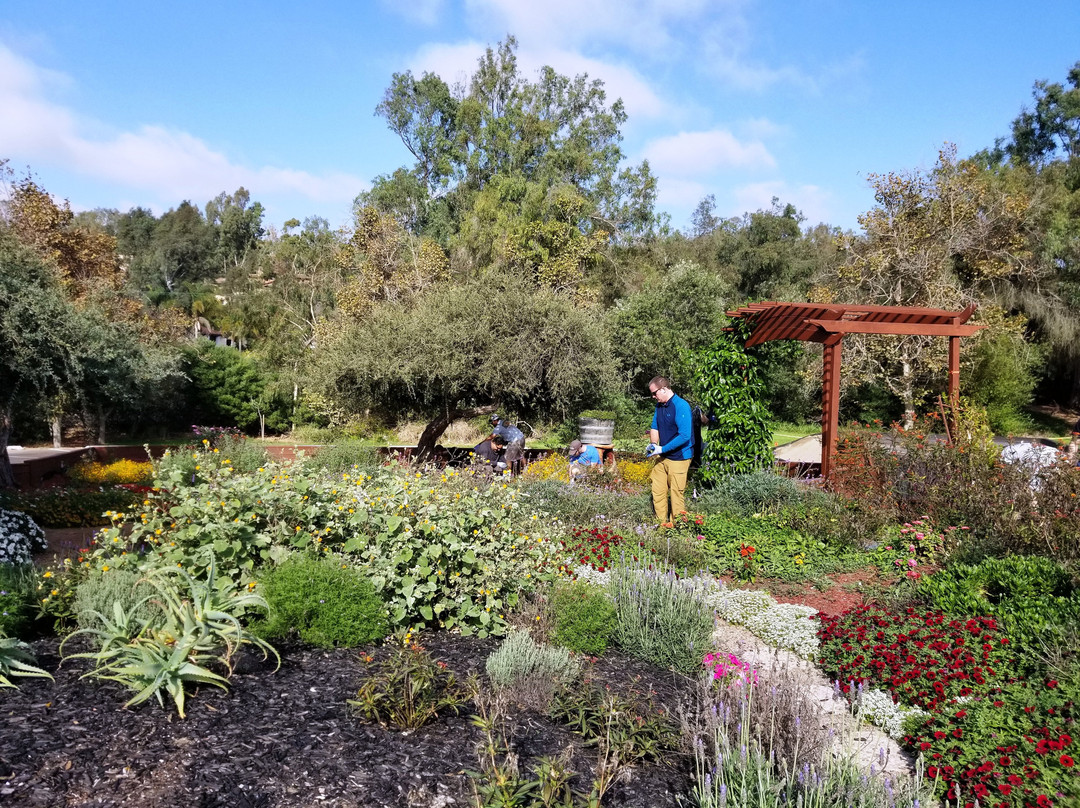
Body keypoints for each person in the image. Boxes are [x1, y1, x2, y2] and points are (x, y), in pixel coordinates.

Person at [647, 376, 694, 526]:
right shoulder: (659, 406)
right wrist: (654, 445)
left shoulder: (681, 406)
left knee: (676, 494)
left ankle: (678, 528)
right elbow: (654, 426)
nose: (653, 397)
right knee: (658, 491)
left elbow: (685, 435)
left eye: (655, 393)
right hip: (662, 455)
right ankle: (661, 526)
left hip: (679, 457)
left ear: (664, 389)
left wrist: (663, 448)